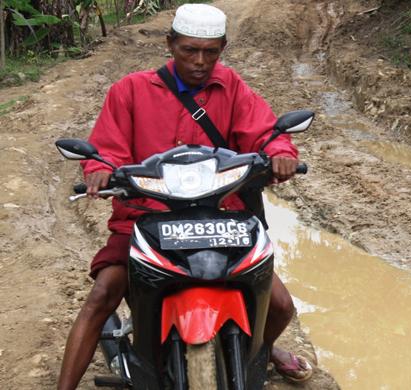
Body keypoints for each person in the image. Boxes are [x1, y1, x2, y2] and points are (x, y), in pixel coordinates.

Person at [57, 4, 312, 389]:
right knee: (102, 295)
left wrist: (280, 152)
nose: (200, 61)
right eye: (189, 50)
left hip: (221, 219)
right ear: (170, 44)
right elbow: (106, 148)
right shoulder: (130, 90)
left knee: (279, 306)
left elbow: (265, 132)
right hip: (145, 217)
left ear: (222, 48)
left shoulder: (233, 86)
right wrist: (98, 169)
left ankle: (260, 348)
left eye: (211, 52)